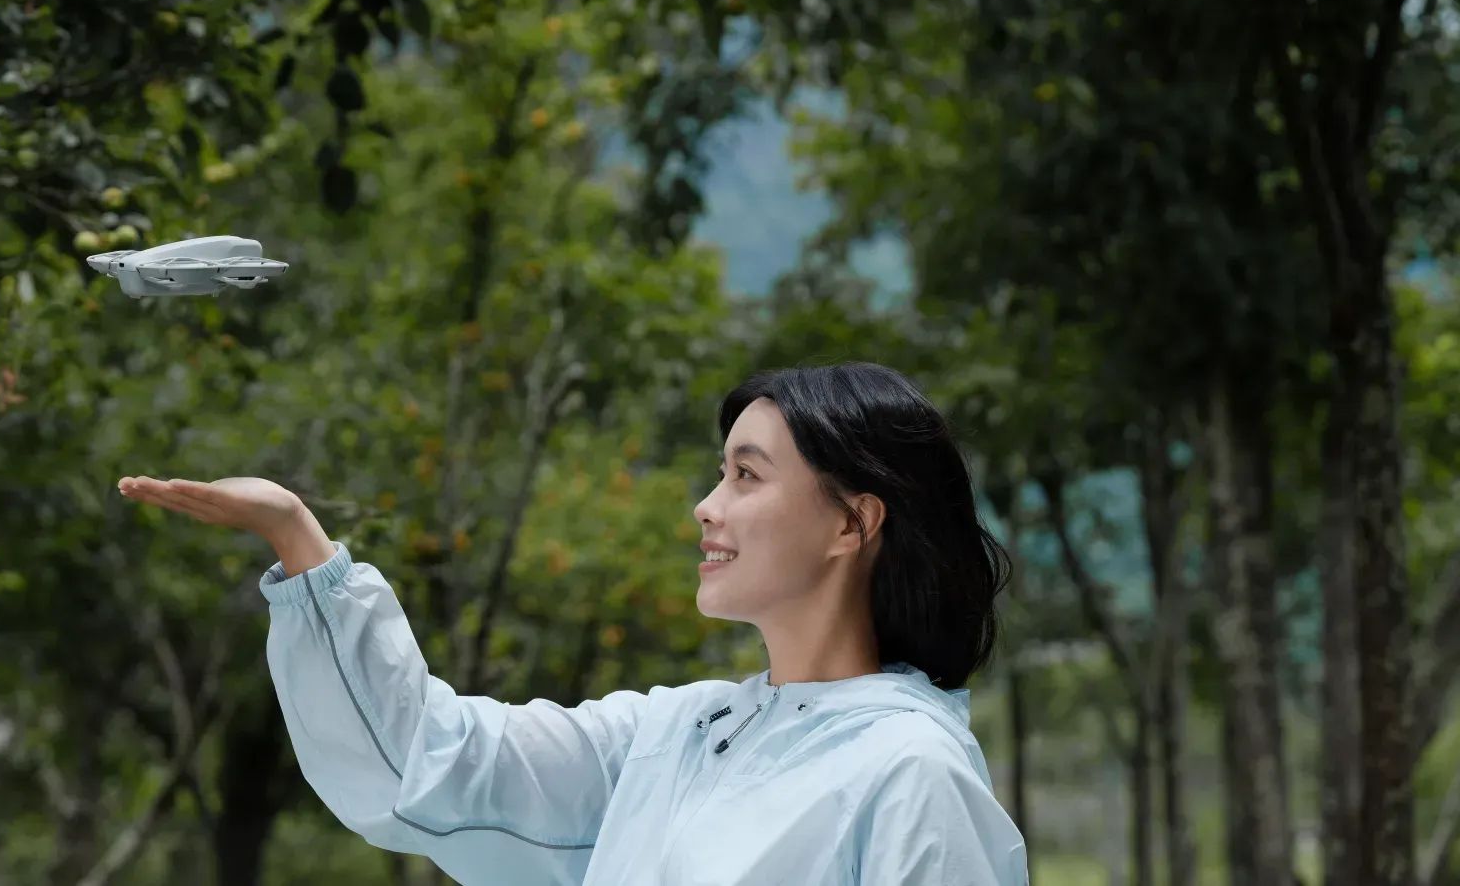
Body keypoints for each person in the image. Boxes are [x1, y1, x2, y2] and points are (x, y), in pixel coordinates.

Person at [118, 362, 1028, 885]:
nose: (706, 508)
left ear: (852, 522)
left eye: (746, 477)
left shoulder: (910, 773)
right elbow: (431, 766)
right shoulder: (675, 737)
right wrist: (300, 540)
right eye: (719, 474)